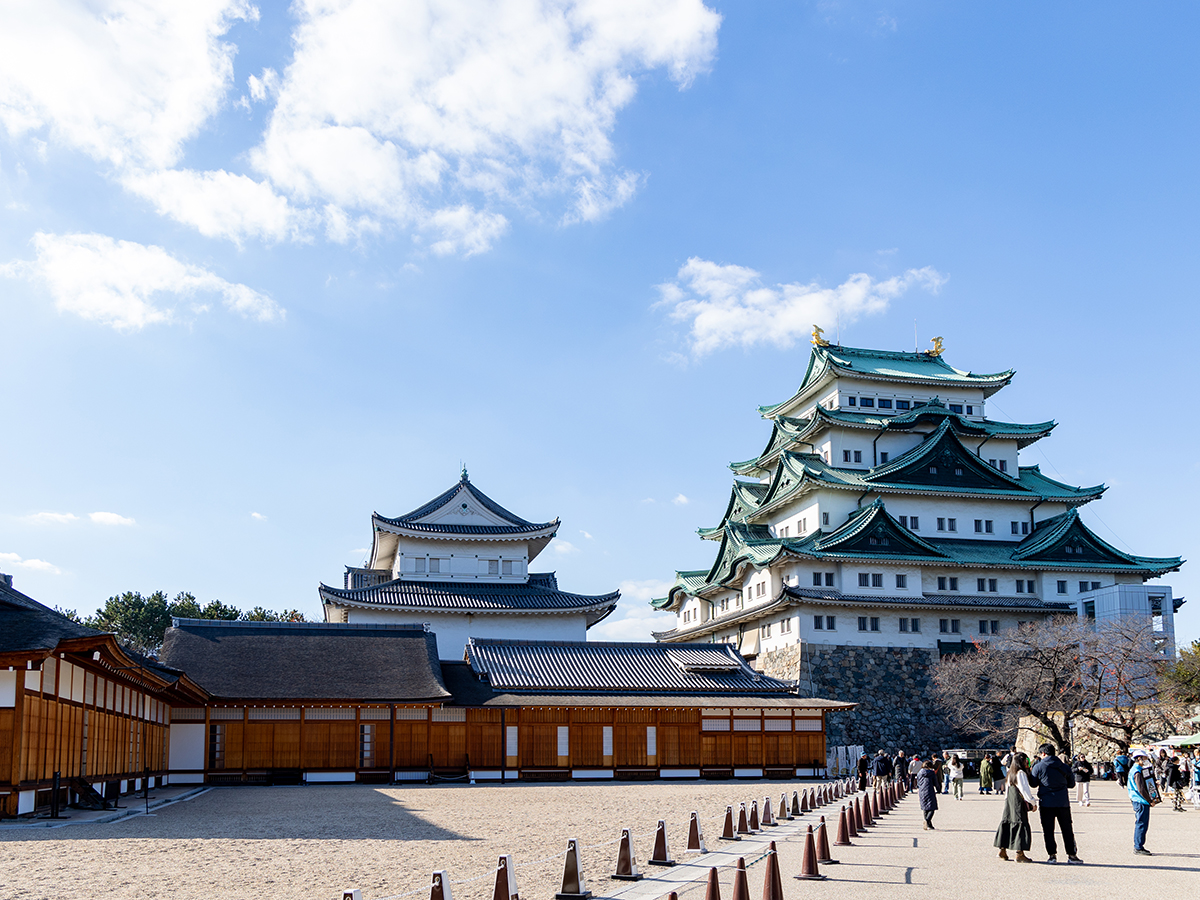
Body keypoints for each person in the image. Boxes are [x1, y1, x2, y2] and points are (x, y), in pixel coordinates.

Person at [1030, 743, 1082, 864]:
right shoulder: (1064, 767)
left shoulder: (1039, 766)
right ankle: (1072, 855)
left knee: (1048, 830)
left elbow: (1033, 784)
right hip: (1062, 802)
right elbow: (1071, 784)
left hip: (1046, 802)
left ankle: (1052, 855)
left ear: (1043, 753)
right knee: (1067, 829)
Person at [995, 751, 1037, 862]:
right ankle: (1019, 853)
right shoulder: (1020, 773)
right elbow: (1024, 790)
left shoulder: (1010, 772)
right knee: (1020, 824)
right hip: (1018, 802)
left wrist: (1006, 801)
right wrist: (1033, 803)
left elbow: (1007, 789)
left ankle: (1002, 849)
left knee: (1007, 823)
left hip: (1010, 801)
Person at [1128, 749, 1156, 855]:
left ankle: (1139, 846)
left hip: (1137, 799)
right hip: (1140, 800)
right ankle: (1138, 847)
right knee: (1141, 824)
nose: (1146, 761)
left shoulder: (1136, 769)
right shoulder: (1137, 771)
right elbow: (1141, 789)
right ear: (1139, 758)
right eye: (1145, 758)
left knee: (1141, 823)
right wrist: (1150, 800)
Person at [917, 759, 939, 829]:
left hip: (921, 791)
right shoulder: (931, 773)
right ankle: (927, 820)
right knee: (932, 807)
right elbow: (935, 782)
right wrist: (938, 789)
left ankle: (929, 824)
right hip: (930, 790)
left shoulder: (919, 772)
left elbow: (918, 783)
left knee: (925, 808)